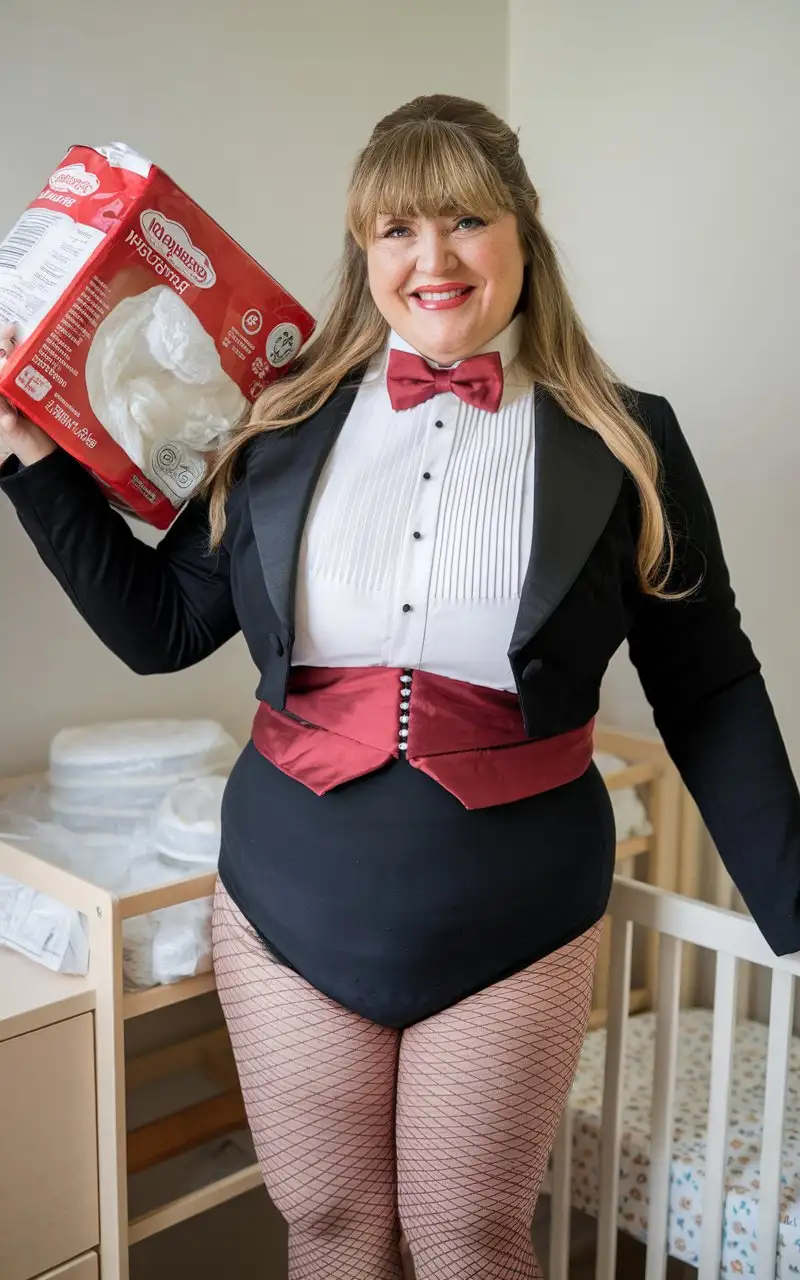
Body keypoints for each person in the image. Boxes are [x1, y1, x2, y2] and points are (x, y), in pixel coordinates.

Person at [1, 94, 798, 1280]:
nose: (430, 259)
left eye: (464, 221)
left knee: (470, 1239)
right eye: (394, 230)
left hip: (513, 909)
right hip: (287, 899)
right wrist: (26, 457)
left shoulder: (628, 438)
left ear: (521, 234)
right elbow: (164, 625)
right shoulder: (276, 423)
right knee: (327, 1230)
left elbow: (710, 685)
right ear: (363, 250)